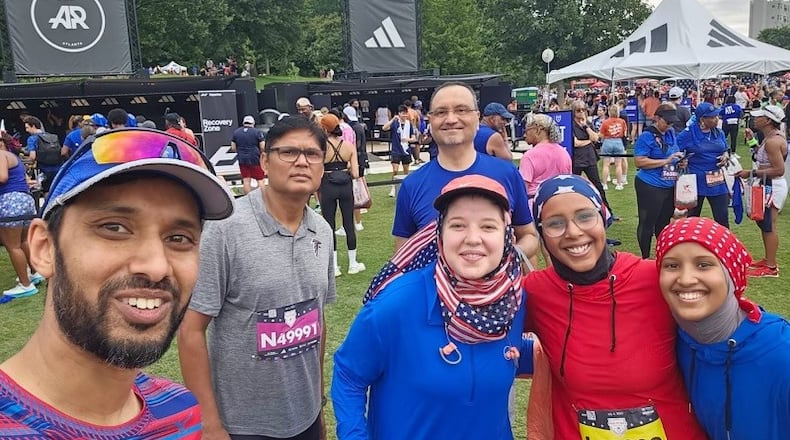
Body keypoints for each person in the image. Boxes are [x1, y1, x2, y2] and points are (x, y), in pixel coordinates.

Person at [0, 127, 235, 437]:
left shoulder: (180, 414)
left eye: (179, 238)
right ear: (44, 248)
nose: (155, 267)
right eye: (114, 228)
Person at [333, 175, 533, 440]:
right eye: (458, 226)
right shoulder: (397, 303)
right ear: (439, 234)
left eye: (488, 227)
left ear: (507, 235)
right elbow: (349, 375)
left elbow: (502, 357)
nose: (473, 238)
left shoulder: (514, 299)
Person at [178, 116, 336, 440]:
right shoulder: (225, 229)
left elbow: (317, 321)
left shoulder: (323, 230)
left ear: (323, 164)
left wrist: (317, 405)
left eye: (312, 154)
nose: (302, 162)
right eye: (288, 152)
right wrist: (209, 422)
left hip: (304, 416)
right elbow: (191, 331)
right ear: (264, 160)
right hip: (242, 424)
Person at [523, 174, 707, 440]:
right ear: (542, 234)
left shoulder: (654, 278)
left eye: (585, 216)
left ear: (603, 218)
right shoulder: (535, 292)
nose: (573, 232)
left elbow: (723, 324)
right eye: (555, 224)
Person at [656, 217, 790, 439]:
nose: (686, 279)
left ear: (731, 275)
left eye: (704, 264)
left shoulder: (781, 353)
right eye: (672, 265)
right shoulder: (677, 342)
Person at [391, 81, 539, 263]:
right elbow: (402, 258)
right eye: (441, 112)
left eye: (461, 110)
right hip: (435, 290)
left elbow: (529, 236)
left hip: (499, 290)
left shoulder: (506, 173)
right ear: (430, 119)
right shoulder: (412, 185)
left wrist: (503, 258)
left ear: (477, 118)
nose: (451, 119)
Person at [735, 105, 788, 278]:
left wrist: (750, 173)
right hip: (768, 184)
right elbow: (759, 156)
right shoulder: (771, 137)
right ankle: (768, 260)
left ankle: (771, 266)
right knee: (764, 223)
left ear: (767, 121)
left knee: (769, 225)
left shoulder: (773, 141)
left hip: (772, 185)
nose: (755, 119)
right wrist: (751, 141)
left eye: (759, 117)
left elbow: (779, 170)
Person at [633, 103, 685, 259]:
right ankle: (645, 257)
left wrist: (680, 161)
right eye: (666, 122)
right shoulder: (646, 136)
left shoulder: (671, 134)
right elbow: (639, 161)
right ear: (657, 118)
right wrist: (665, 161)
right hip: (650, 184)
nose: (669, 125)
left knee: (663, 222)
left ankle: (661, 254)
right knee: (647, 222)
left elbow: (674, 152)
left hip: (668, 183)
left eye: (671, 122)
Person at [319, 113, 365, 276]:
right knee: (348, 224)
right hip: (345, 185)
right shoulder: (349, 146)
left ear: (324, 128)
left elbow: (318, 170)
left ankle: (334, 266)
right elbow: (355, 173)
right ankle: (353, 263)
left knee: (329, 224)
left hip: (328, 184)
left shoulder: (321, 147)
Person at [677, 102, 730, 228]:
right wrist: (680, 160)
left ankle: (724, 245)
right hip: (696, 181)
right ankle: (691, 244)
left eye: (717, 116)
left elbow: (725, 148)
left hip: (717, 180)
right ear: (702, 119)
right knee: (693, 218)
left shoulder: (719, 133)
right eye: (712, 117)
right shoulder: (688, 133)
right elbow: (673, 150)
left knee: (722, 217)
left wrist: (726, 155)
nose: (716, 119)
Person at [0, 137, 40, 297]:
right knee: (23, 241)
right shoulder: (13, 156)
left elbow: (2, 177)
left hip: (10, 202)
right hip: (25, 200)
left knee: (13, 246)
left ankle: (25, 284)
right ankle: (35, 273)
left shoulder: (0, 155)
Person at [518, 113, 572, 203]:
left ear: (538, 130)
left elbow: (522, 188)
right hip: (560, 202)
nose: (524, 134)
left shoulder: (529, 155)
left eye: (527, 130)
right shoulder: (564, 153)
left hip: (535, 203)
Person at [570, 100, 612, 214]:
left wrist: (586, 127)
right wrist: (588, 141)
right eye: (578, 110)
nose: (581, 112)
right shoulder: (570, 124)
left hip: (589, 157)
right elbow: (575, 143)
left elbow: (595, 138)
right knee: (573, 186)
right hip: (576, 159)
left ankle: (607, 211)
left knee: (598, 185)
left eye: (583, 110)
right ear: (574, 111)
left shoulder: (588, 123)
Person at [24, 116, 64, 195]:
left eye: (27, 127)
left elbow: (32, 157)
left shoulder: (32, 139)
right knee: (55, 191)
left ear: (33, 126)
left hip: (44, 170)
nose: (26, 130)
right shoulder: (52, 136)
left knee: (45, 191)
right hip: (58, 168)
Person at [382, 105, 416, 198]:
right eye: (403, 113)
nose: (405, 115)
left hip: (405, 150)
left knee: (406, 172)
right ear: (399, 114)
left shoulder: (409, 124)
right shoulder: (395, 123)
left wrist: (408, 139)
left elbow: (413, 138)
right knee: (395, 170)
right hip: (396, 150)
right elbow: (384, 128)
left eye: (406, 113)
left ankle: (405, 188)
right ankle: (393, 187)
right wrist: (393, 119)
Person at [230, 115, 266, 194]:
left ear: (244, 123)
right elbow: (262, 147)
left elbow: (233, 147)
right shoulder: (257, 132)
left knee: (246, 180)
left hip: (242, 159)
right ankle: (263, 198)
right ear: (253, 123)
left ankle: (248, 199)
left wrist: (240, 151)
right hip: (255, 158)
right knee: (260, 180)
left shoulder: (236, 132)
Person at [598, 104, 628, 190]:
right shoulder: (622, 121)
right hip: (618, 142)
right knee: (618, 165)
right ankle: (619, 184)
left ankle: (604, 184)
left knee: (606, 165)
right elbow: (624, 133)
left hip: (607, 141)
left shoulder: (605, 122)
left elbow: (602, 135)